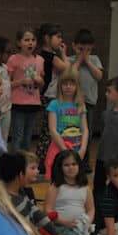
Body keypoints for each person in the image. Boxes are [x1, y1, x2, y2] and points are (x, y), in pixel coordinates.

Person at [0, 152, 71, 235]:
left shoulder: (20, 193)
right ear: (20, 175)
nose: (36, 171)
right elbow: (25, 234)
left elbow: (37, 215)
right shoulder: (10, 201)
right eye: (31, 168)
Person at [45, 150, 95, 235]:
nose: (71, 167)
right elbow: (48, 210)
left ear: (79, 166)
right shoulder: (55, 187)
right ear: (60, 168)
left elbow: (91, 209)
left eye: (74, 164)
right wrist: (64, 222)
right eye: (66, 165)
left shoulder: (85, 187)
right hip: (60, 226)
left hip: (80, 227)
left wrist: (87, 221)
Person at [44, 68, 88, 179]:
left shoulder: (80, 105)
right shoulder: (55, 104)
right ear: (60, 86)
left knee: (75, 179)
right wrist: (64, 149)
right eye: (65, 84)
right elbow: (52, 129)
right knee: (58, 178)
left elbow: (85, 129)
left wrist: (83, 149)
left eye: (71, 84)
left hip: (77, 148)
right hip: (59, 148)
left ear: (77, 86)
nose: (68, 87)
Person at [37, 24, 70, 168]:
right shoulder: (49, 56)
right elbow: (67, 68)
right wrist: (63, 53)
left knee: (49, 131)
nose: (60, 40)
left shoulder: (44, 55)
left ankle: (43, 160)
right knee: (48, 131)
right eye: (58, 37)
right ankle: (41, 162)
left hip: (50, 96)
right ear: (46, 38)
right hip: (48, 96)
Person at [8, 28, 44, 152]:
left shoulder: (40, 60)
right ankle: (14, 163)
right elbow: (7, 83)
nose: (30, 43)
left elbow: (41, 84)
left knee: (28, 137)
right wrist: (21, 82)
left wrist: (39, 80)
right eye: (27, 40)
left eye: (33, 40)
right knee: (17, 135)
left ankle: (25, 164)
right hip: (18, 103)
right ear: (19, 43)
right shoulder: (14, 59)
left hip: (33, 102)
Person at [69, 29, 104, 156]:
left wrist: (87, 61)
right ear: (74, 46)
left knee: (87, 132)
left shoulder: (94, 59)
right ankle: (73, 156)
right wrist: (79, 60)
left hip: (89, 102)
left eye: (88, 50)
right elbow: (70, 75)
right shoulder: (70, 60)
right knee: (73, 131)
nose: (84, 53)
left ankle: (85, 160)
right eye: (81, 49)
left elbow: (99, 76)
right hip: (73, 102)